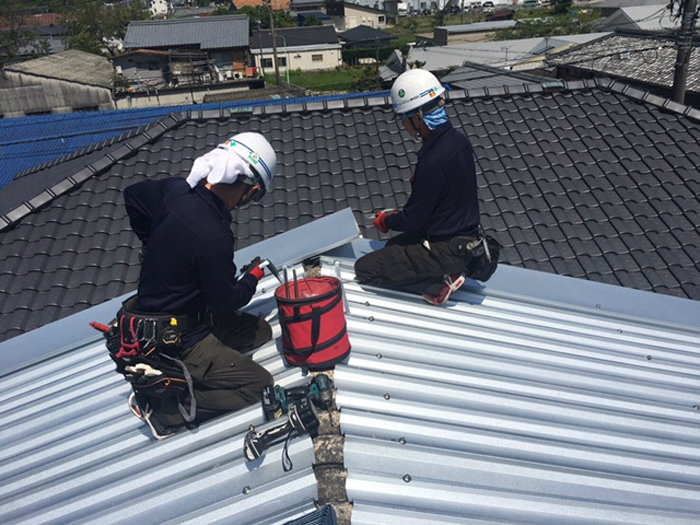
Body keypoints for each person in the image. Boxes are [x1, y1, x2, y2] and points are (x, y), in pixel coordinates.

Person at [121, 132, 277, 439]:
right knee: (258, 385)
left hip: (158, 318)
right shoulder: (215, 235)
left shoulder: (176, 191)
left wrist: (153, 244)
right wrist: (252, 278)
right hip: (175, 339)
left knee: (260, 331)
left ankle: (198, 370)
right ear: (252, 190)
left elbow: (132, 195)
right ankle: (167, 410)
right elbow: (226, 301)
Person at [354, 69, 482, 305]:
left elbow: (414, 219)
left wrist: (387, 221)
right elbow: (452, 188)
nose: (404, 125)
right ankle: (447, 272)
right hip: (467, 240)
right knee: (393, 247)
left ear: (418, 117)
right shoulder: (458, 140)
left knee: (366, 268)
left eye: (404, 118)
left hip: (446, 250)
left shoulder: (431, 162)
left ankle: (439, 284)